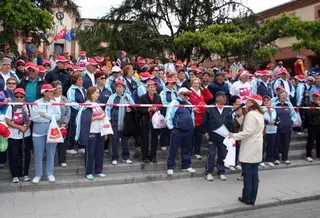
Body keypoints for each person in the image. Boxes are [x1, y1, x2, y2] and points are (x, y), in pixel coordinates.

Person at [230, 94, 264, 206]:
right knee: (254, 174)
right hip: (256, 146)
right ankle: (252, 197)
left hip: (250, 146)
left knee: (248, 174)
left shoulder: (251, 114)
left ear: (253, 103)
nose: (246, 102)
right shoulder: (259, 114)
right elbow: (249, 127)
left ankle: (247, 197)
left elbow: (248, 131)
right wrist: (240, 115)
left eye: (249, 100)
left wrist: (234, 136)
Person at [30, 84, 61, 184]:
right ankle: (38, 174)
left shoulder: (55, 102)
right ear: (44, 92)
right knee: (38, 154)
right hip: (38, 133)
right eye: (50, 91)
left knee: (51, 154)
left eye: (53, 91)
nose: (52, 93)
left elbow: (58, 117)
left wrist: (46, 115)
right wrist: (49, 117)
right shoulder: (36, 103)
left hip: (52, 131)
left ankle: (49, 173)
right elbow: (34, 118)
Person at [75, 86, 107, 180]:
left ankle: (99, 170)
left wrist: (104, 115)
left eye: (98, 92)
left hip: (100, 132)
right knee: (90, 153)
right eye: (96, 92)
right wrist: (97, 118)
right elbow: (85, 120)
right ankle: (88, 172)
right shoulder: (86, 106)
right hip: (91, 132)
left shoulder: (98, 104)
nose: (98, 94)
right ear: (91, 94)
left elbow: (102, 116)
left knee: (100, 152)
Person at [202, 91, 233, 181]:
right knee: (211, 154)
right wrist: (205, 132)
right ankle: (209, 172)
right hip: (212, 135)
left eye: (225, 96)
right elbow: (204, 122)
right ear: (217, 98)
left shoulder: (228, 109)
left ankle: (221, 171)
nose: (225, 98)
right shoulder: (210, 108)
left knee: (222, 154)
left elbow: (230, 122)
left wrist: (230, 132)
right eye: (223, 96)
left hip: (224, 136)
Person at [165, 87, 196, 175]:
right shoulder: (174, 103)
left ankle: (186, 165)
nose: (187, 96)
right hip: (177, 130)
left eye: (188, 94)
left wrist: (192, 125)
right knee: (173, 149)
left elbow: (192, 115)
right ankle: (170, 166)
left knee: (187, 149)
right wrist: (171, 128)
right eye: (185, 94)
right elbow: (168, 116)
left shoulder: (189, 103)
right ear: (180, 94)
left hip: (188, 130)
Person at [5, 88, 32, 183]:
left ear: (24, 97)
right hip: (14, 135)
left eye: (21, 96)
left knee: (25, 155)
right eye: (17, 96)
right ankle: (15, 175)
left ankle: (25, 174)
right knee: (14, 155)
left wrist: (26, 126)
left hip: (26, 133)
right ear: (14, 97)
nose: (19, 98)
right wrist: (18, 127)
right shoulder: (11, 106)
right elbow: (8, 121)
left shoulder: (28, 106)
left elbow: (30, 119)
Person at [106, 79, 135, 165]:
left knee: (125, 141)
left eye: (120, 87)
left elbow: (134, 106)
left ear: (124, 88)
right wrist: (109, 120)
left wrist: (131, 109)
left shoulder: (128, 97)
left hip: (125, 122)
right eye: (117, 87)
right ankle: (114, 157)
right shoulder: (112, 97)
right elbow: (108, 109)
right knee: (114, 140)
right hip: (115, 122)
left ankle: (126, 157)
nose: (118, 88)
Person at [188, 78, 213, 160]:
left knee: (198, 136)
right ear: (191, 84)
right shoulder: (189, 92)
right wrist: (192, 108)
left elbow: (210, 97)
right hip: (193, 116)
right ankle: (189, 151)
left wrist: (204, 88)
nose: (196, 85)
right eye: (194, 83)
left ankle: (197, 152)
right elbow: (187, 103)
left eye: (198, 83)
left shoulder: (201, 92)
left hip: (201, 117)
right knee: (191, 136)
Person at [138, 80, 162, 163]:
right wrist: (148, 110)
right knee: (145, 138)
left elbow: (161, 106)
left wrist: (157, 109)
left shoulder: (158, 97)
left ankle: (153, 156)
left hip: (155, 120)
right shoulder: (142, 97)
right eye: (151, 87)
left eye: (154, 87)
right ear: (147, 88)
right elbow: (139, 109)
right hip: (146, 120)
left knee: (154, 138)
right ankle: (145, 156)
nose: (152, 88)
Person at [272, 90, 296, 165]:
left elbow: (293, 114)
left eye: (285, 95)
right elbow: (272, 114)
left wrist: (291, 122)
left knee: (286, 144)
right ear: (279, 96)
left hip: (287, 127)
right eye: (282, 95)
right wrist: (276, 122)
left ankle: (285, 158)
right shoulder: (274, 104)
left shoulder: (288, 104)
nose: (283, 96)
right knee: (277, 144)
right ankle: (276, 158)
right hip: (278, 127)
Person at [66, 72, 87, 154]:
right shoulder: (71, 90)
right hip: (74, 112)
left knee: (82, 128)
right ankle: (69, 146)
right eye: (79, 80)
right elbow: (72, 102)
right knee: (73, 128)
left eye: (82, 79)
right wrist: (81, 107)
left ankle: (80, 146)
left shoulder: (84, 89)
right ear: (75, 81)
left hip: (82, 112)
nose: (81, 81)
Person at [0, 77, 18, 168]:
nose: (11, 85)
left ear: (16, 85)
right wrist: (3, 103)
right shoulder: (2, 94)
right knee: (3, 141)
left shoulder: (18, 94)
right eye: (9, 83)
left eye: (13, 83)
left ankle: (11, 159)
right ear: (6, 84)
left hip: (14, 120)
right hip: (3, 120)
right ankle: (2, 161)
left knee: (12, 141)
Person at [52, 81, 71, 167]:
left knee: (62, 143)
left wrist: (65, 122)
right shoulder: (50, 99)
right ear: (54, 89)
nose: (60, 90)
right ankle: (51, 160)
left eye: (61, 88)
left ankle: (62, 160)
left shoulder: (64, 99)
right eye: (58, 88)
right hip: (52, 124)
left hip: (63, 124)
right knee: (52, 143)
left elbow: (68, 111)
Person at [159, 78, 178, 151]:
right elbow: (163, 102)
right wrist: (170, 105)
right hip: (166, 111)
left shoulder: (175, 92)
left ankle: (170, 143)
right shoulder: (163, 92)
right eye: (169, 83)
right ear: (166, 84)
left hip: (174, 112)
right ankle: (163, 143)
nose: (171, 85)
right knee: (164, 128)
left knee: (172, 128)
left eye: (172, 83)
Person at [262, 96, 279, 167]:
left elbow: (278, 119)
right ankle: (261, 160)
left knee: (271, 146)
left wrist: (274, 122)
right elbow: (260, 118)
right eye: (265, 100)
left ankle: (269, 159)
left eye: (268, 100)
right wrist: (268, 121)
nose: (266, 102)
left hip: (273, 130)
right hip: (265, 130)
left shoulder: (274, 109)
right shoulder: (261, 109)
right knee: (263, 146)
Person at [305, 91, 320, 162]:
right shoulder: (309, 104)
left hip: (319, 125)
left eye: (316, 96)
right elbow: (311, 114)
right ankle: (308, 155)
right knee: (310, 141)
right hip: (312, 125)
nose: (315, 97)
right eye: (314, 96)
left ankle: (318, 155)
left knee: (319, 141)